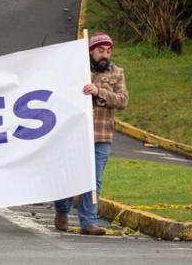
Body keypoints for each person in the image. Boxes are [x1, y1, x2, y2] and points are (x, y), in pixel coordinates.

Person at [54, 32, 128, 236]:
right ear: (91, 52)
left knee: (93, 180)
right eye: (100, 50)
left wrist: (99, 91)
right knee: (69, 176)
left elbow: (122, 100)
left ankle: (88, 221)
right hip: (74, 134)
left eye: (108, 51)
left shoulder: (117, 72)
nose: (105, 54)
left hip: (101, 135)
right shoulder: (77, 71)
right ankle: (61, 210)